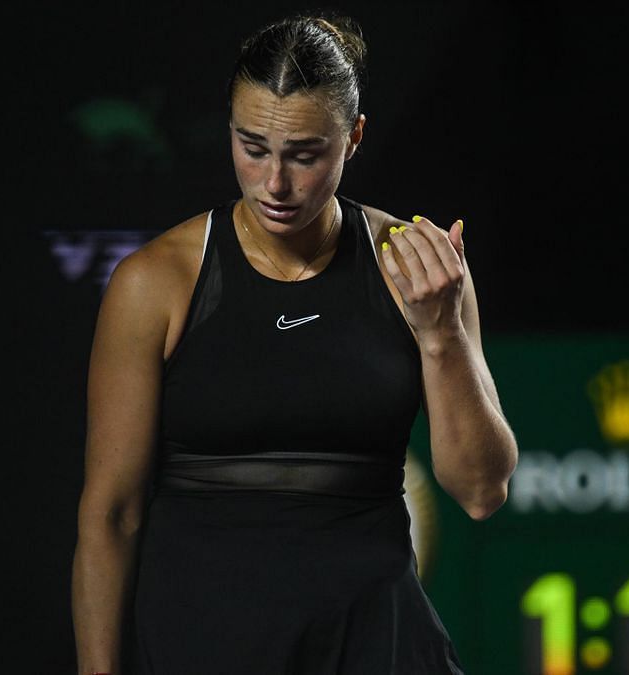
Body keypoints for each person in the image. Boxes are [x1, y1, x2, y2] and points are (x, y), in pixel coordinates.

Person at [70, 12, 518, 675]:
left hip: (378, 647)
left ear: (354, 138)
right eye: (252, 147)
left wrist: (442, 333)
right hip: (205, 646)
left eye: (304, 155)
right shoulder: (154, 283)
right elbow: (111, 514)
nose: (274, 183)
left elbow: (481, 490)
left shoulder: (416, 271)